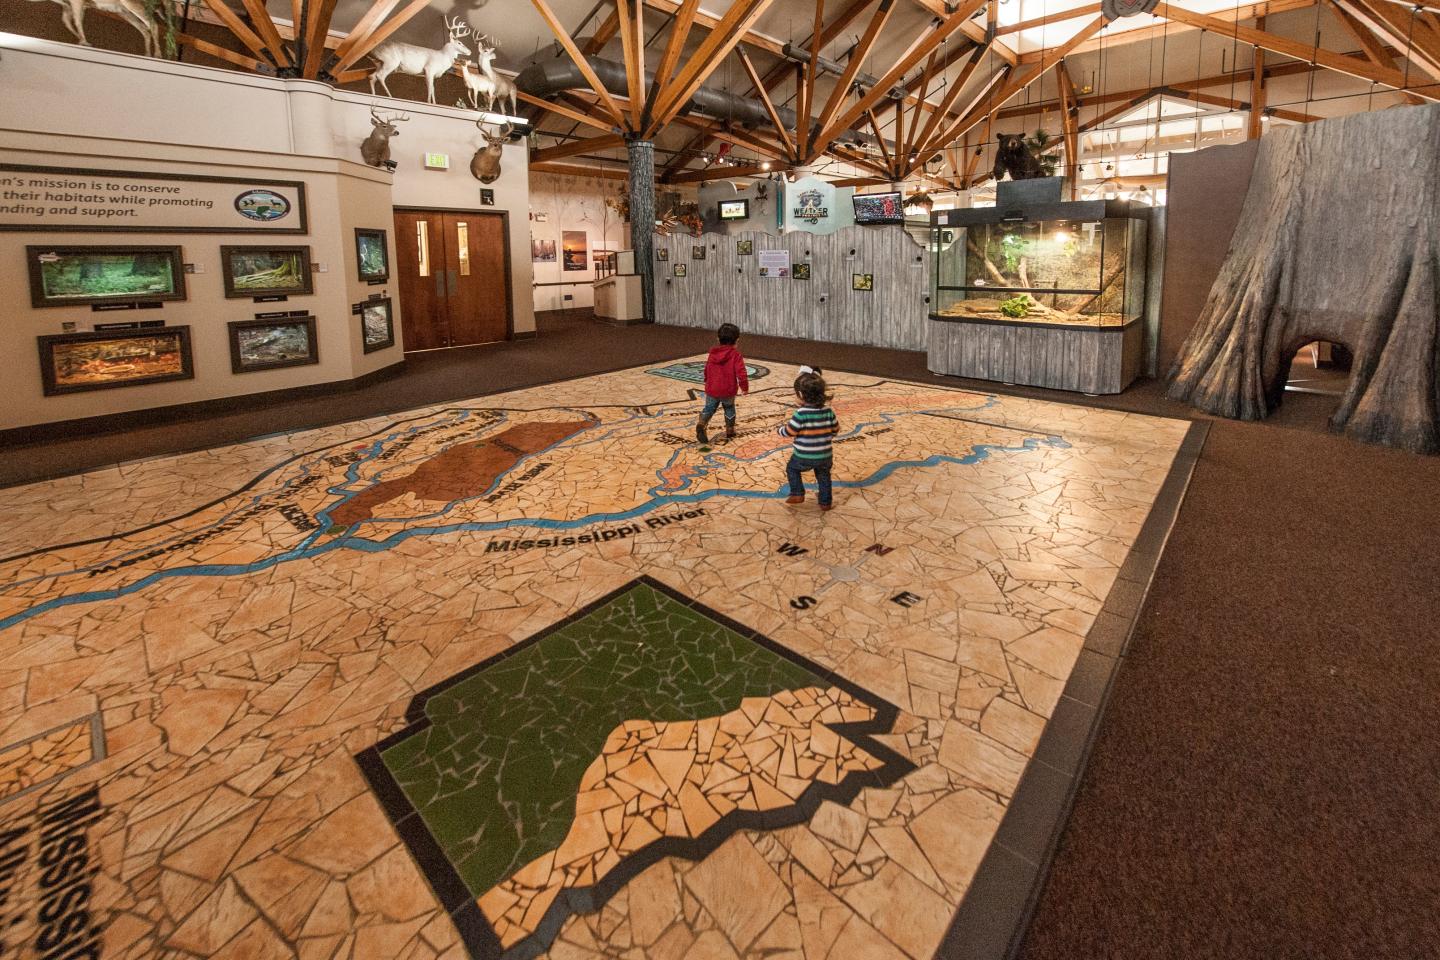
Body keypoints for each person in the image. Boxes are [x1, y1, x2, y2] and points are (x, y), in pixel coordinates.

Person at [778, 367, 840, 510]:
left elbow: (790, 431)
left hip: (803, 456)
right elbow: (836, 429)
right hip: (825, 455)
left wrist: (780, 430)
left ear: (800, 395)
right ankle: (825, 502)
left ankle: (798, 493)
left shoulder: (801, 414)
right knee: (824, 476)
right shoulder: (828, 411)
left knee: (792, 469)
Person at [697, 322, 749, 445]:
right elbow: (741, 373)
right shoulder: (736, 355)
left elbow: (706, 369)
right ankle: (730, 430)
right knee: (729, 408)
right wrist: (744, 387)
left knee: (709, 408)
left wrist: (707, 380)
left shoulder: (712, 353)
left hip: (712, 388)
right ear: (737, 340)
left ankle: (702, 423)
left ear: (718, 339)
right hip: (728, 390)